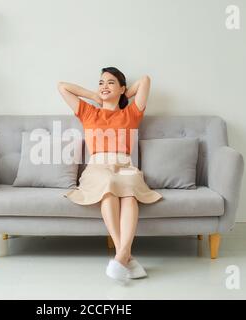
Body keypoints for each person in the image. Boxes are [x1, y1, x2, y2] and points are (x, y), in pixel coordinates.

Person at [57, 67, 163, 282]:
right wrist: (94, 95)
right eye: (101, 82)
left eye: (111, 82)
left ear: (122, 88)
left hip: (124, 165)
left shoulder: (131, 113)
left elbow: (145, 80)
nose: (104, 86)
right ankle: (124, 254)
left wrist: (123, 95)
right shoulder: (89, 112)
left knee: (129, 192)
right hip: (98, 166)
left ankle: (122, 255)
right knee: (108, 184)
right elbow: (62, 87)